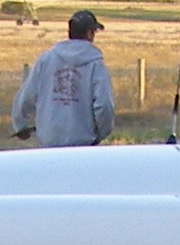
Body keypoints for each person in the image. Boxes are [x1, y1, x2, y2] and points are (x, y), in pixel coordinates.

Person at [12, 9, 115, 146]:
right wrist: (102, 133)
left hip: (49, 142)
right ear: (90, 33)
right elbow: (104, 105)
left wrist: (20, 125)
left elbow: (26, 96)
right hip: (83, 145)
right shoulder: (95, 65)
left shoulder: (46, 59)